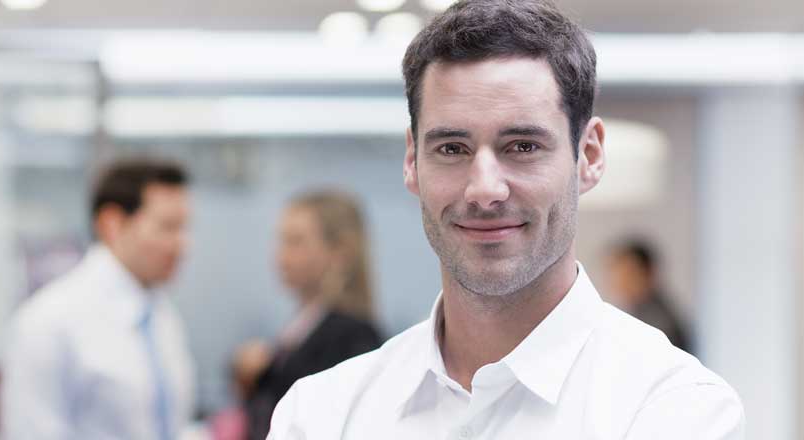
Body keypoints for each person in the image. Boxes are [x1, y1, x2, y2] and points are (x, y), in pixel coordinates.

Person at [266, 0, 745, 438]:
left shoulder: (675, 410)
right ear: (413, 160)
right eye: (452, 148)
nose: (484, 190)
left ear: (590, 156)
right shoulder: (322, 414)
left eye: (523, 147)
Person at [0, 159, 197, 440]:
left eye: (185, 228)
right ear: (112, 224)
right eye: (168, 227)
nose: (183, 244)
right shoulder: (48, 322)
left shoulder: (161, 314)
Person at [234, 190, 382, 440]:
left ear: (339, 252)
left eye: (296, 242)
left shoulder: (353, 337)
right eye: (281, 241)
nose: (280, 256)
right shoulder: (304, 325)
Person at [605, 239, 691, 352]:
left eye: (628, 274)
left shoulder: (658, 322)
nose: (620, 281)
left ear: (648, 272)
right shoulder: (640, 313)